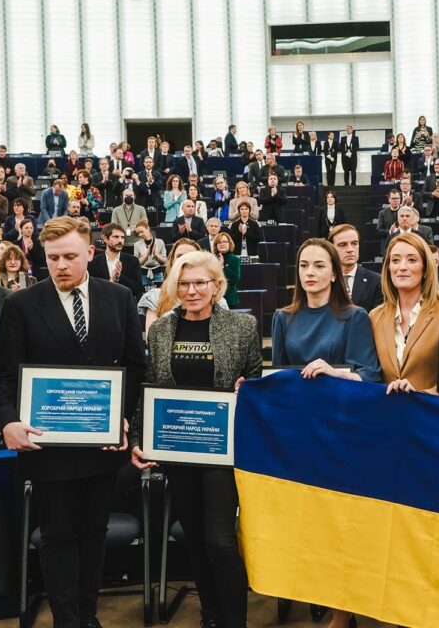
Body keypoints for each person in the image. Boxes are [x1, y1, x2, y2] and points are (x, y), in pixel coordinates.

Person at [0, 217, 147, 628]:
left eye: (70, 256)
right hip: (48, 445)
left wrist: (123, 419)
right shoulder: (21, 304)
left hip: (102, 444)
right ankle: (67, 621)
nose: (61, 265)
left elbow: (136, 365)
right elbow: (5, 375)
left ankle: (88, 616)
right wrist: (8, 421)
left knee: (93, 533)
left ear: (90, 254)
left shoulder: (118, 297)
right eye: (53, 257)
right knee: (58, 535)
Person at [131, 251, 259, 628]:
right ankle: (211, 615)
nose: (192, 291)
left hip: (222, 452)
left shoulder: (242, 327)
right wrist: (140, 436)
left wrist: (246, 389)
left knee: (220, 542)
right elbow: (149, 388)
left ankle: (234, 621)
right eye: (184, 284)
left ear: (217, 286)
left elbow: (253, 382)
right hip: (177, 449)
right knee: (196, 541)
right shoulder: (161, 330)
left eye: (200, 283)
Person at [272, 239, 381, 380]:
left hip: (340, 399)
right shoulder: (282, 317)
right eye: (304, 265)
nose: (309, 272)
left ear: (334, 274)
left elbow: (370, 376)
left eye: (319, 266)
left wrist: (335, 373)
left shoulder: (355, 316)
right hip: (296, 400)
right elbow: (276, 376)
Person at [369, 232, 439, 395]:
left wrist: (421, 396)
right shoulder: (375, 316)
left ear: (425, 269)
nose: (402, 267)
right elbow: (370, 374)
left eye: (412, 260)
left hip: (431, 415)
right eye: (395, 260)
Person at [329, 224, 383, 313]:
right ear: (331, 248)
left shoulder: (376, 281)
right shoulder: (324, 280)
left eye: (354, 243)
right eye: (343, 245)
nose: (350, 249)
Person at [89, 223, 144, 300]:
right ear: (105, 239)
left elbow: (138, 289)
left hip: (125, 307)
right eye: (116, 237)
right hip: (103, 306)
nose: (120, 240)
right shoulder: (93, 262)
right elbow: (91, 290)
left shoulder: (133, 261)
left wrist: (119, 277)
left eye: (122, 237)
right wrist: (111, 281)